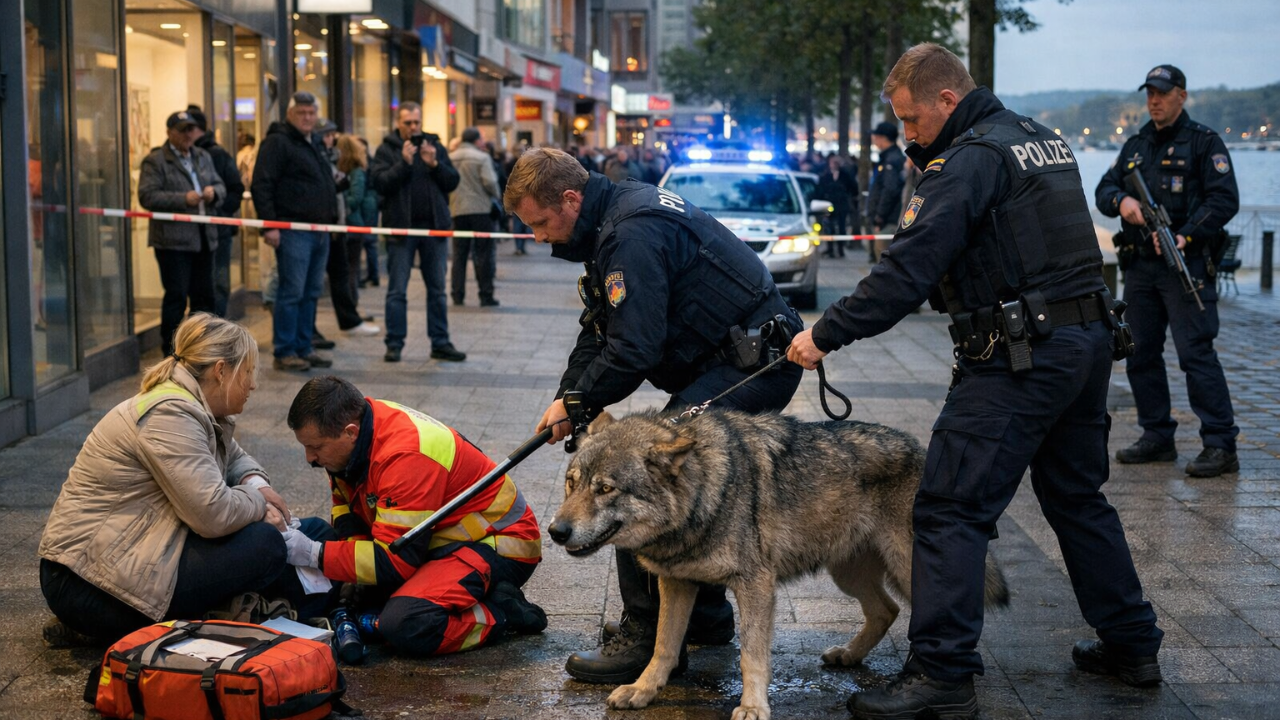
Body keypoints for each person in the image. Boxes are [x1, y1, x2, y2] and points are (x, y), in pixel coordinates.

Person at [786, 44, 1164, 718]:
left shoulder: (967, 161)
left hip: (1018, 354)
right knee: (1078, 499)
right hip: (1083, 344)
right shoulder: (1038, 139)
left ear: (947, 102)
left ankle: (940, 675)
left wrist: (823, 333)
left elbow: (906, 272)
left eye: (909, 120)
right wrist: (919, 166)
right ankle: (1132, 644)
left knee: (948, 509)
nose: (906, 134)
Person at [505, 147, 804, 684]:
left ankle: (644, 635)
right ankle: (705, 617)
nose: (538, 237)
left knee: (637, 469)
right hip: (719, 360)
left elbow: (634, 349)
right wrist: (568, 397)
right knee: (669, 469)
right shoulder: (609, 223)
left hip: (755, 363)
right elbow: (599, 330)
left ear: (571, 199)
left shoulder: (630, 233)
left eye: (541, 223)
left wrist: (579, 404)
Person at [38, 314, 293, 644]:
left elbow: (234, 457)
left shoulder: (190, 403)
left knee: (279, 533)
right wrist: (259, 504)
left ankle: (193, 616)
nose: (253, 384)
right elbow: (212, 514)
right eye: (248, 373)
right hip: (84, 582)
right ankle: (103, 624)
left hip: (117, 562)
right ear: (221, 371)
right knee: (265, 545)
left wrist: (258, 485)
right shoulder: (169, 414)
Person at [282, 375, 546, 656]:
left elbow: (395, 562)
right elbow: (347, 507)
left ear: (350, 432)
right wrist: (354, 575)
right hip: (440, 542)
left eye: (316, 447)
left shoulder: (404, 456)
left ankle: (503, 614)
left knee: (405, 623)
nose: (309, 458)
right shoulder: (355, 432)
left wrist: (315, 555)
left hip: (500, 544)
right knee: (358, 590)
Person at [1096, 65, 1241, 478]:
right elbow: (1104, 188)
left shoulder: (1203, 143)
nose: (1154, 101)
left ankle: (1220, 443)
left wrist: (1185, 236)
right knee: (1139, 352)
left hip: (1185, 265)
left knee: (1196, 354)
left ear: (1182, 95)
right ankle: (1157, 435)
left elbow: (1224, 199)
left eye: (1161, 93)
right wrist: (1123, 202)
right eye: (1149, 94)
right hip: (1142, 266)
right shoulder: (1137, 144)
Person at [370, 102, 465, 363]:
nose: (413, 127)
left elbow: (452, 181)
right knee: (397, 290)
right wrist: (404, 162)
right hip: (402, 230)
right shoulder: (387, 149)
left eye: (416, 122)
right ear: (398, 123)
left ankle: (440, 342)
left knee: (437, 290)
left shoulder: (433, 145)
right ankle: (394, 343)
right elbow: (380, 183)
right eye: (407, 123)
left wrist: (434, 163)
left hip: (433, 229)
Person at [250, 91, 337, 372]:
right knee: (292, 291)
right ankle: (285, 350)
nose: (308, 118)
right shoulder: (278, 142)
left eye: (311, 113)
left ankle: (304, 345)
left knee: (311, 291)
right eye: (302, 113)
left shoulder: (311, 143)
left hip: (318, 230)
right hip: (293, 230)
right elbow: (262, 184)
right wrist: (270, 224)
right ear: (290, 115)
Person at [137, 110, 226, 356]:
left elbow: (221, 186)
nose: (188, 135)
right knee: (176, 297)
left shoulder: (203, 156)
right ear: (169, 133)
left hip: (204, 238)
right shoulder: (156, 161)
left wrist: (214, 193)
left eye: (191, 129)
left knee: (205, 297)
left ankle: (202, 348)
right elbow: (147, 196)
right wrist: (182, 199)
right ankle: (171, 352)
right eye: (182, 130)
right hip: (173, 242)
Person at [186, 108, 245, 320]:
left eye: (189, 129)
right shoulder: (183, 155)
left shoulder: (216, 154)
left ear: (199, 130)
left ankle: (216, 332)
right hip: (188, 234)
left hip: (217, 231)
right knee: (196, 287)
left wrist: (216, 210)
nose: (186, 134)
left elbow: (234, 189)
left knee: (217, 282)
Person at [448, 127, 503, 307]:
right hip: (480, 209)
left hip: (457, 209)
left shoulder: (450, 157)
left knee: (459, 254)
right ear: (476, 140)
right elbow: (490, 182)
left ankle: (457, 294)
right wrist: (496, 196)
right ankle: (485, 295)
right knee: (483, 254)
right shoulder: (481, 157)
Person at [340, 134, 380, 297]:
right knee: (348, 268)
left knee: (352, 267)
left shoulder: (357, 171)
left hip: (354, 224)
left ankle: (353, 303)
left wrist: (338, 201)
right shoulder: (345, 169)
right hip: (348, 224)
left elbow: (356, 198)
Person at [867, 121, 907, 262]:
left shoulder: (891, 160)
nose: (874, 139)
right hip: (887, 219)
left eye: (876, 136)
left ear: (883, 138)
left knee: (884, 260)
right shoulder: (890, 158)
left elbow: (890, 190)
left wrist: (880, 216)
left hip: (887, 221)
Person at [816, 155, 858, 258]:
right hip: (828, 206)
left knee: (841, 228)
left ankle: (840, 249)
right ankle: (830, 249)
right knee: (829, 228)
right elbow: (820, 191)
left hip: (841, 206)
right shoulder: (825, 176)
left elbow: (853, 188)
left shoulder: (845, 175)